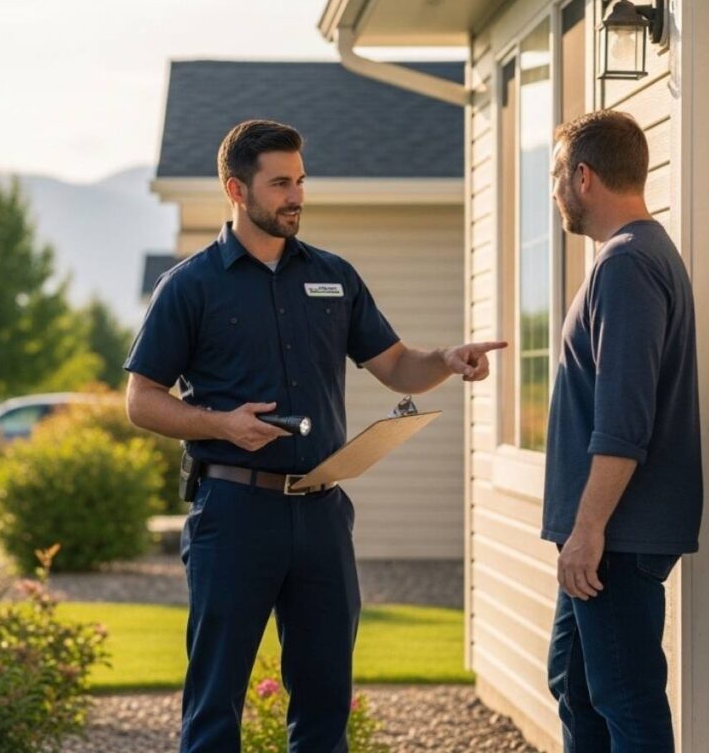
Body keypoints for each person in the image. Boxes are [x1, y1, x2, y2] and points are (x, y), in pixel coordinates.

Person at [124, 119, 505, 753]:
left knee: (326, 700)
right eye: (279, 183)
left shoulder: (335, 277)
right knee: (216, 702)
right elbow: (141, 401)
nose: (295, 195)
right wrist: (220, 425)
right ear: (236, 189)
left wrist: (445, 359)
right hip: (234, 512)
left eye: (300, 180)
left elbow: (397, 367)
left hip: (323, 514)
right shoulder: (189, 286)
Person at [543, 110, 702, 752]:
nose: (554, 191)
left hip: (615, 534)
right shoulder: (633, 257)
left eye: (556, 176)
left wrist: (587, 532)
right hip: (608, 532)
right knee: (578, 686)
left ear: (583, 177)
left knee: (625, 698)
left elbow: (624, 420)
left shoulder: (628, 264)